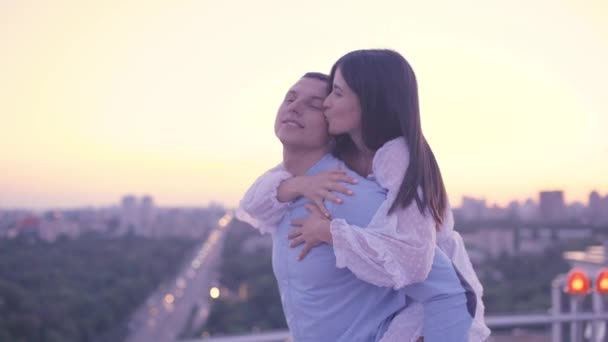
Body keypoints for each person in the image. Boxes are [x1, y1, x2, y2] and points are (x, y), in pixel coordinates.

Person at [238, 62, 490, 341]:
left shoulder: (347, 194)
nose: (294, 107)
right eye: (290, 97)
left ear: (334, 122)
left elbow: (451, 291)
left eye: (314, 104)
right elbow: (251, 204)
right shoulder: (284, 190)